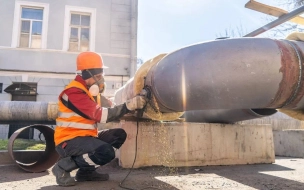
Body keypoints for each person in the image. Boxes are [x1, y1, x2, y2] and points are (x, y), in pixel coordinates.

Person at [52, 52, 147, 186]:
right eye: (97, 76)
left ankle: (86, 173)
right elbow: (101, 115)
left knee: (118, 135)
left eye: (101, 76)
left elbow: (113, 108)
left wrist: (133, 106)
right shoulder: (73, 92)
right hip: (68, 141)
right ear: (85, 74)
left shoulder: (91, 93)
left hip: (86, 138)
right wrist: (128, 106)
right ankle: (63, 167)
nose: (100, 81)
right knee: (105, 152)